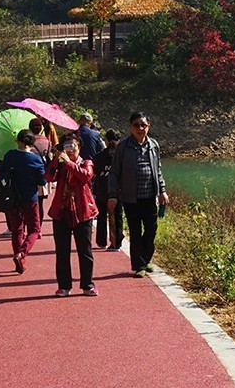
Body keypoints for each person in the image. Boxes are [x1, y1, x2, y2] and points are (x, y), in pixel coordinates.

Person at [108, 112, 169, 278]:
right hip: (130, 197)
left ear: (148, 126)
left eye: (143, 125)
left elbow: (158, 170)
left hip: (150, 196)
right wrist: (112, 194)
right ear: (131, 127)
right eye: (136, 125)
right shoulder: (123, 147)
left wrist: (162, 191)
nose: (140, 128)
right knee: (135, 231)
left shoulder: (153, 145)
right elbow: (114, 172)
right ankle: (139, 264)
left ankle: (146, 258)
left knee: (151, 229)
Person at [46, 134, 99, 296]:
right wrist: (55, 159)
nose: (69, 150)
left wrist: (68, 163)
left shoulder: (86, 162)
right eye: (66, 146)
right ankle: (64, 285)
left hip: (83, 212)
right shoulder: (60, 164)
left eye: (72, 146)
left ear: (79, 147)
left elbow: (86, 176)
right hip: (61, 212)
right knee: (62, 251)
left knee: (85, 250)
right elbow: (48, 177)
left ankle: (87, 285)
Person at [0, 129, 47, 274]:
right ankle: (22, 254)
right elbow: (42, 181)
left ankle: (18, 259)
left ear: (17, 141)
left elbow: (1, 173)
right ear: (32, 143)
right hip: (30, 198)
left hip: (12, 197)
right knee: (34, 229)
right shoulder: (36, 159)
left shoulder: (10, 156)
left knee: (17, 230)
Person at [93, 129, 124, 250]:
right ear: (119, 141)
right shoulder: (122, 156)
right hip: (118, 191)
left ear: (105, 140)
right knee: (117, 216)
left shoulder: (98, 157)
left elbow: (94, 172)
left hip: (101, 190)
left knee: (101, 216)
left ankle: (101, 241)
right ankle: (116, 243)